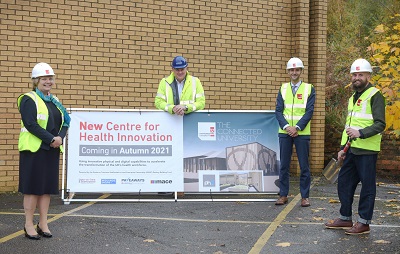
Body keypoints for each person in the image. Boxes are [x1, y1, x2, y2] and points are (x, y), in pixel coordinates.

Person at [325, 58, 386, 235]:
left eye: (360, 74)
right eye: (354, 75)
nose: (356, 78)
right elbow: (349, 126)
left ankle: (364, 222)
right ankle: (345, 218)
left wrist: (361, 133)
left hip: (367, 149)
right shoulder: (353, 97)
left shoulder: (375, 95)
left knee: (367, 187)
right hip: (351, 149)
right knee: (344, 182)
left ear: (368, 76)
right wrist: (343, 148)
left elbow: (380, 123)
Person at [17, 62, 70, 240]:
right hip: (34, 150)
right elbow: (30, 124)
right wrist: (51, 139)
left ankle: (43, 223)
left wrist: (60, 137)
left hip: (51, 150)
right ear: (36, 80)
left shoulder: (54, 101)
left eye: (50, 78)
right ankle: (28, 224)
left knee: (46, 189)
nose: (48, 81)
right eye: (44, 78)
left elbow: (65, 122)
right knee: (32, 189)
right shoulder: (28, 99)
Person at [155, 56, 206, 197]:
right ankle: (167, 184)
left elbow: (201, 102)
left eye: (182, 69)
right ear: (172, 69)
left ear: (186, 68)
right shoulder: (164, 82)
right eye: (177, 69)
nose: (180, 72)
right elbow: (158, 102)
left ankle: (181, 187)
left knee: (186, 154)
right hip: (170, 125)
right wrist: (172, 108)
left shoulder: (195, 82)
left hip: (188, 124)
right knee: (169, 154)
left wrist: (186, 107)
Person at [274, 57, 316, 207]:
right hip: (285, 132)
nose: (294, 72)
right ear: (288, 71)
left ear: (301, 71)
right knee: (284, 165)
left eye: (297, 69)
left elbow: (309, 111)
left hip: (301, 133)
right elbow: (278, 111)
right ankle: (283, 195)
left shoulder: (309, 88)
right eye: (291, 70)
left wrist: (297, 127)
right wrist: (287, 127)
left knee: (304, 165)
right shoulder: (283, 88)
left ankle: (305, 197)